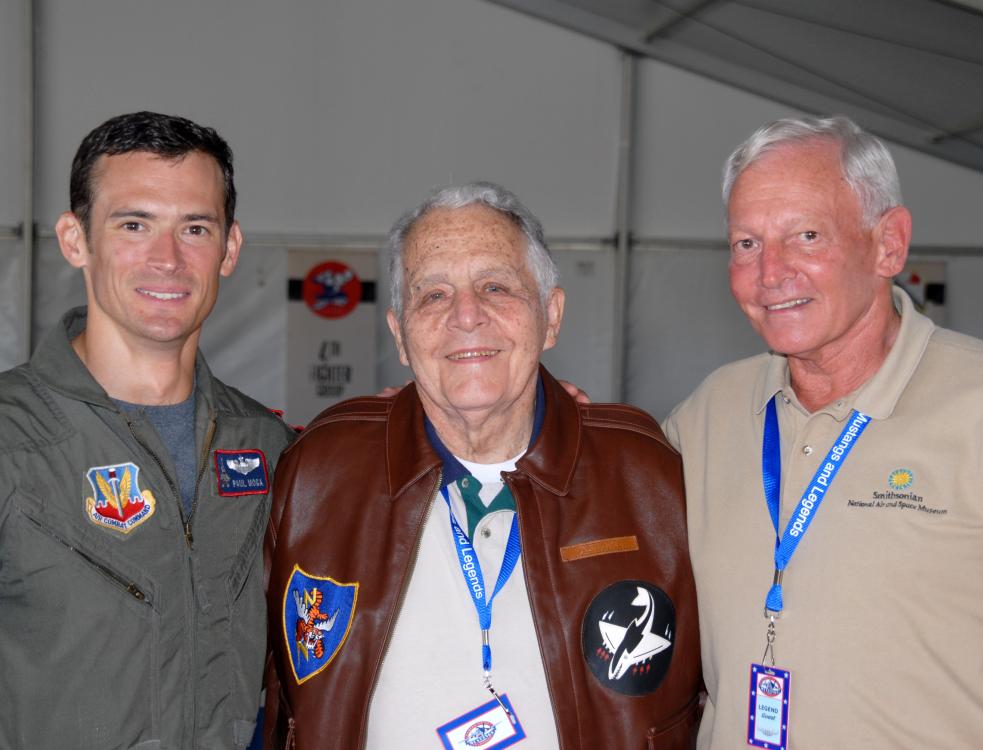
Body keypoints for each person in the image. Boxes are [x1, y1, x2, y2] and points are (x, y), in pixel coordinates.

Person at [264, 182, 701, 749]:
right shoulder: (320, 472)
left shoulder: (650, 478)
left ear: (551, 315)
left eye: (495, 286)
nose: (466, 316)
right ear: (400, 335)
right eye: (433, 295)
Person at [665, 116, 983, 749]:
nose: (771, 273)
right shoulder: (711, 411)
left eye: (807, 235)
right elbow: (595, 500)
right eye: (746, 243)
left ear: (888, 245)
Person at [0, 111, 295, 748]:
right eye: (134, 224)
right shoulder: (10, 442)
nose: (167, 259)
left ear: (230, 248)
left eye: (195, 228)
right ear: (75, 240)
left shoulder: (272, 451)